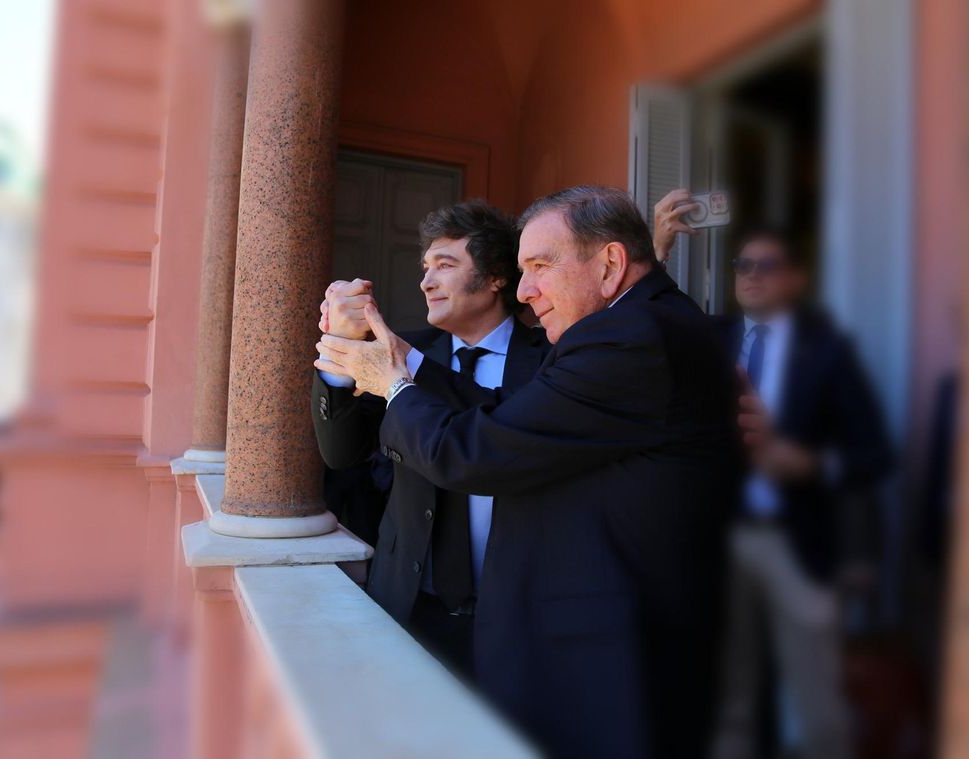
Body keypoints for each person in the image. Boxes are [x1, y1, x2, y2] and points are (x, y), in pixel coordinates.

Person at [315, 186, 742, 759]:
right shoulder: (636, 324)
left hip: (607, 660)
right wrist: (399, 365)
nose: (526, 290)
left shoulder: (627, 338)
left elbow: (477, 450)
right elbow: (504, 414)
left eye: (540, 266)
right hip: (552, 638)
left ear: (611, 264)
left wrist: (395, 384)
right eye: (522, 270)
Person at [654, 196, 894, 759]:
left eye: (769, 266)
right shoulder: (711, 336)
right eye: (744, 265)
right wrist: (657, 248)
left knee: (817, 708)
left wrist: (810, 464)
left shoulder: (829, 354)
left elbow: (873, 454)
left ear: (796, 278)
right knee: (728, 697)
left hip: (800, 541)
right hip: (716, 540)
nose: (753, 276)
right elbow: (650, 319)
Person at [312, 200, 549, 677]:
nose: (426, 281)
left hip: (522, 616)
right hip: (409, 602)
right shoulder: (399, 350)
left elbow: (507, 426)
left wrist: (404, 366)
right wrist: (341, 353)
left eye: (446, 265)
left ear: (497, 276)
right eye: (426, 267)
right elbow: (341, 453)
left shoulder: (550, 357)